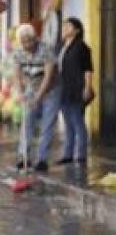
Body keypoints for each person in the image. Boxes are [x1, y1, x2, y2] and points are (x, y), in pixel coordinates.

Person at [13, 23, 61, 173]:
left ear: (35, 38)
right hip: (31, 87)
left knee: (47, 124)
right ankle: (24, 157)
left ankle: (42, 159)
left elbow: (48, 76)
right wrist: (21, 93)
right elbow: (17, 74)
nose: (27, 44)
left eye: (29, 40)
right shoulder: (18, 52)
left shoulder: (46, 49)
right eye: (23, 41)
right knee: (27, 122)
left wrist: (38, 97)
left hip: (51, 89)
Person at [56, 17, 94, 165]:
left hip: (77, 88)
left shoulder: (81, 47)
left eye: (69, 26)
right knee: (68, 123)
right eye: (64, 25)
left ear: (77, 30)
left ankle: (81, 154)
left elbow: (88, 69)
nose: (65, 28)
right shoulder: (62, 46)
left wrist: (87, 87)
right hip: (64, 89)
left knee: (78, 121)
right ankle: (68, 153)